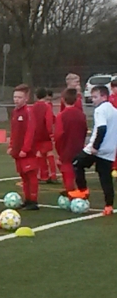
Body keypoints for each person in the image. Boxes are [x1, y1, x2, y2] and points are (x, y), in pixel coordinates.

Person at [72, 85, 117, 215]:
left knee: (76, 163)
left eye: (95, 97)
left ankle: (83, 190)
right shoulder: (114, 110)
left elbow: (102, 129)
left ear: (104, 96)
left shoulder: (100, 110)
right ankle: (108, 205)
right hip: (109, 149)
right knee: (105, 178)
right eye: (92, 97)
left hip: (98, 148)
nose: (93, 100)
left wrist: (95, 147)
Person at [8, 84, 39, 210]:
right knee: (24, 176)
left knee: (31, 176)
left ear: (26, 98)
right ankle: (27, 199)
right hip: (17, 151)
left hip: (27, 152)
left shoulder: (28, 112)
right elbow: (14, 131)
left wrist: (25, 149)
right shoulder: (15, 112)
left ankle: (34, 201)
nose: (16, 100)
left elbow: (30, 132)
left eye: (19, 97)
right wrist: (11, 146)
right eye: (15, 97)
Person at [55, 88, 88, 199]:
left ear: (63, 100)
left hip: (66, 147)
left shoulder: (61, 115)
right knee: (78, 170)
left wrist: (59, 151)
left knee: (67, 170)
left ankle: (71, 193)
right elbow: (85, 130)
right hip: (79, 146)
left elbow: (58, 135)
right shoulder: (81, 114)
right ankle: (82, 191)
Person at [31, 87, 57, 183]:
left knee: (39, 154)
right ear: (45, 95)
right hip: (45, 134)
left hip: (36, 134)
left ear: (36, 96)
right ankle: (52, 175)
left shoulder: (33, 107)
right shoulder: (47, 106)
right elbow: (48, 121)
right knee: (49, 153)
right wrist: (51, 133)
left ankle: (42, 175)